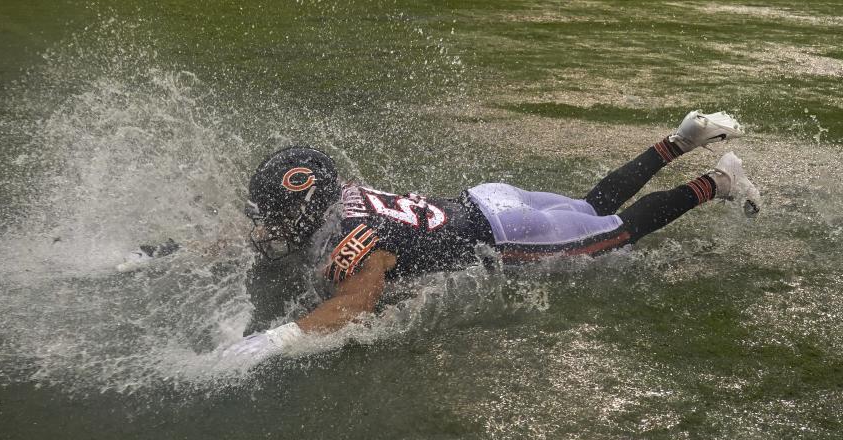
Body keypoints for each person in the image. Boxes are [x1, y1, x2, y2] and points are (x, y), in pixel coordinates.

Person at [202, 111, 760, 363]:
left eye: (279, 216)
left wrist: (271, 342)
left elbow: (355, 308)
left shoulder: (352, 240)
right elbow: (273, 232)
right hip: (487, 200)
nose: (271, 228)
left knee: (615, 232)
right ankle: (682, 138)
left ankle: (718, 181)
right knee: (591, 208)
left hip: (511, 232)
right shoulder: (342, 197)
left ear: (307, 205)